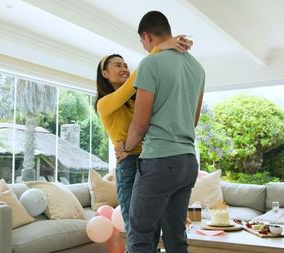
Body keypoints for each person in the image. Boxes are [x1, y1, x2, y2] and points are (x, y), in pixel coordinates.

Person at [118, 10, 205, 253]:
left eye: (142, 43)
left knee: (140, 236)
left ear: (147, 36)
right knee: (176, 236)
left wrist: (125, 148)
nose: (145, 48)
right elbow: (193, 120)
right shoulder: (197, 68)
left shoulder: (151, 63)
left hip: (159, 161)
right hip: (188, 162)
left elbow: (139, 123)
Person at [95, 36, 192, 252]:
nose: (124, 68)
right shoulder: (104, 104)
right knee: (137, 232)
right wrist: (159, 48)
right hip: (129, 166)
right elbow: (130, 86)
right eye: (117, 65)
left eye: (125, 65)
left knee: (152, 231)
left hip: (151, 161)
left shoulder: (136, 99)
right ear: (104, 74)